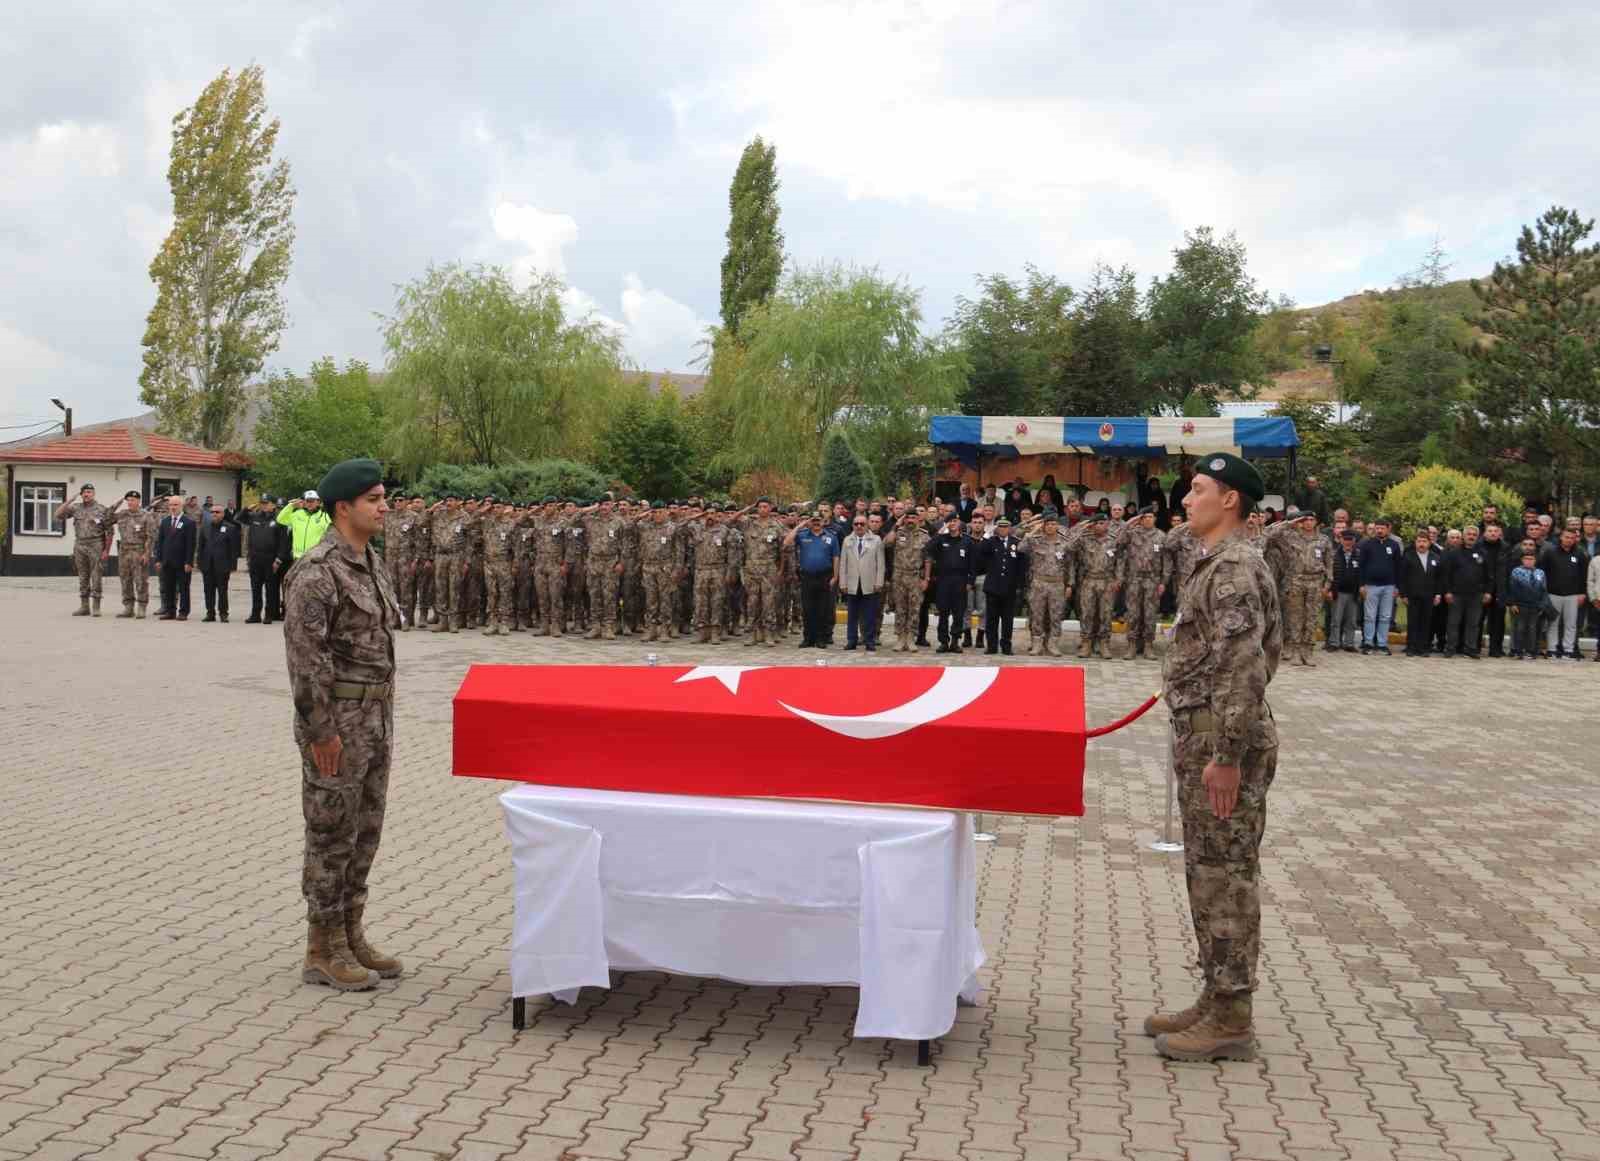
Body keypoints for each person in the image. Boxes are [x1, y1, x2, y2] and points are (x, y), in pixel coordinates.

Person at [1146, 452, 1279, 1063]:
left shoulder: (1233, 568)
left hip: (1224, 744)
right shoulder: (1213, 562)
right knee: (1208, 871)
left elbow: (1244, 665)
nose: (1185, 499)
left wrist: (1226, 753)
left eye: (1197, 489)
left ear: (1230, 500)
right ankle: (1217, 993)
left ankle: (1231, 1017)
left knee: (1225, 878)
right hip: (1204, 734)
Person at [284, 458, 402, 992]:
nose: (384, 507)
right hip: (336, 725)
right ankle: (321, 946)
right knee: (330, 832)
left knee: (365, 830)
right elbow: (307, 663)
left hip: (374, 717)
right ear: (343, 507)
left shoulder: (368, 561)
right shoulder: (317, 572)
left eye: (383, 497)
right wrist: (321, 733)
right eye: (374, 499)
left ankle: (351, 933)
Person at [54, 483, 115, 616]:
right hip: (80, 544)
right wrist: (69, 500)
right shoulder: (75, 508)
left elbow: (110, 531)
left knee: (96, 575)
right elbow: (58, 515)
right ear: (81, 494)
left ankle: (96, 607)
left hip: (96, 544)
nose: (87, 494)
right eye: (84, 492)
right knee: (83, 576)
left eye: (89, 492)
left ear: (93, 494)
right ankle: (84, 606)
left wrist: (106, 551)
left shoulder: (102, 510)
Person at [786, 510, 841, 648]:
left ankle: (821, 638)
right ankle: (808, 638)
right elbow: (787, 542)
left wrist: (835, 576)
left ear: (823, 522)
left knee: (823, 609)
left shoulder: (831, 536)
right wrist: (800, 525)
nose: (816, 523)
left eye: (818, 521)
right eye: (814, 521)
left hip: (825, 576)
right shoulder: (802, 535)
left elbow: (836, 557)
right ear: (810, 522)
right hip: (807, 577)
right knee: (808, 609)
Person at [1020, 514, 1070, 656]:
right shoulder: (1036, 541)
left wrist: (1070, 584)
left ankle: (1053, 644)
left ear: (1058, 526)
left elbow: (1070, 565)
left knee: (1056, 616)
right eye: (1048, 524)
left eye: (1054, 524)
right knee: (1037, 615)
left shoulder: (1064, 543)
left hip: (1057, 584)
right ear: (1043, 526)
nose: (1051, 527)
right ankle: (1037, 644)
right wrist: (1034, 531)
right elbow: (1021, 547)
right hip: (1039, 583)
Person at [925, 514, 976, 653]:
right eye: (949, 522)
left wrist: (970, 581)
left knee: (959, 613)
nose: (952, 524)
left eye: (955, 521)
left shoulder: (967, 541)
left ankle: (955, 641)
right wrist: (941, 530)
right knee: (943, 613)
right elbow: (928, 548)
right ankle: (943, 642)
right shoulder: (941, 539)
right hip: (943, 581)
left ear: (960, 523)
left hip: (960, 581)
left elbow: (973, 564)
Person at [883, 510, 931, 653]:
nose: (910, 520)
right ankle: (900, 638)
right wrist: (895, 526)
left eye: (913, 517)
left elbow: (928, 559)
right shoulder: (898, 533)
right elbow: (886, 543)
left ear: (918, 519)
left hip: (916, 576)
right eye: (908, 517)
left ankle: (911, 637)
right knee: (900, 608)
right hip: (899, 576)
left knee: (914, 609)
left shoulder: (924, 536)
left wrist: (926, 579)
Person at [1439, 525, 1490, 658]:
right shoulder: (1454, 553)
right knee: (1453, 623)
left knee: (1473, 624)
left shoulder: (1483, 553)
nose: (1471, 536)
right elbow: (1447, 574)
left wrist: (1487, 592)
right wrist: (1448, 591)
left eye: (1474, 534)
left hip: (1476, 594)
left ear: (1477, 537)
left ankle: (1470, 649)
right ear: (1464, 536)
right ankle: (1450, 648)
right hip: (1456, 594)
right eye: (1469, 534)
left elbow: (1489, 575)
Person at [977, 516, 1026, 655]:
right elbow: (980, 550)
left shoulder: (1016, 543)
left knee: (1007, 619)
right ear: (997, 528)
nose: (1003, 529)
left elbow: (1021, 566)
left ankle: (1006, 646)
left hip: (1009, 588)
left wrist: (1019, 586)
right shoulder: (990, 542)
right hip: (993, 586)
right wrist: (987, 534)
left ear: (1010, 528)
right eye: (1000, 526)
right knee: (991, 619)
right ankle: (991, 646)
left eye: (1005, 527)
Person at [1539, 528, 1589, 660]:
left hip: (1573, 595)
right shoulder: (1550, 553)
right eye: (1567, 537)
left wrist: (1582, 593)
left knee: (1571, 624)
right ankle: (1552, 649)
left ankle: (1568, 650)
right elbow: (1542, 573)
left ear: (1575, 539)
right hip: (1553, 594)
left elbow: (1584, 575)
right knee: (1553, 623)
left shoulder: (1580, 554)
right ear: (1561, 537)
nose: (1569, 540)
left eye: (1572, 538)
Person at [839, 514, 886, 651]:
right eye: (856, 524)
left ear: (867, 525)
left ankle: (869, 641)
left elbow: (880, 564)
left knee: (870, 614)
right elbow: (843, 564)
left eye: (862, 524)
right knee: (852, 614)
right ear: (852, 525)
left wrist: (879, 582)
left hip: (869, 583)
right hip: (852, 583)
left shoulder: (876, 540)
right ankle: (851, 640)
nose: (859, 526)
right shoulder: (847, 540)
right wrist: (843, 583)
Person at [109, 490, 157, 619]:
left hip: (139, 551)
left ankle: (141, 607)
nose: (130, 502)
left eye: (133, 500)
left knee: (140, 580)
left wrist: (147, 554)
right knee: (125, 579)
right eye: (128, 500)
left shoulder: (146, 516)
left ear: (138, 501)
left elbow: (151, 537)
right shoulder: (122, 514)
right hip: (124, 551)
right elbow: (106, 518)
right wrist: (117, 503)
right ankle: (128, 607)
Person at [1357, 516, 1400, 654]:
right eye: (1377, 528)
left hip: (1389, 586)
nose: (1379, 530)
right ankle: (1368, 642)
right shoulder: (1367, 544)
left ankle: (1382, 643)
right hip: (1371, 586)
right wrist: (1362, 585)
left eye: (1382, 528)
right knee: (1369, 615)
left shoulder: (1394, 545)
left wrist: (1397, 586)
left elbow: (1398, 567)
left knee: (1385, 616)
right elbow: (1361, 566)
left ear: (1388, 529)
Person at [244, 497, 289, 625]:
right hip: (255, 558)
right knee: (255, 588)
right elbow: (239, 519)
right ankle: (255, 614)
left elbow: (283, 542)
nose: (263, 506)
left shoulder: (280, 520)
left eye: (266, 503)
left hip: (271, 559)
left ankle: (269, 614)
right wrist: (246, 509)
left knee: (270, 589)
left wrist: (279, 559)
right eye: (262, 503)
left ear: (273, 505)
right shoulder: (255, 517)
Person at [155, 495, 198, 621]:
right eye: (171, 505)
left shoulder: (189, 523)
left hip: (182, 562)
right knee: (169, 587)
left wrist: (189, 562)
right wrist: (158, 559)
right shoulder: (165, 521)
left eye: (175, 505)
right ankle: (170, 611)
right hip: (167, 561)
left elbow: (191, 544)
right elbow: (160, 542)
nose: (173, 507)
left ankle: (183, 612)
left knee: (183, 588)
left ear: (181, 506)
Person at [197, 503, 242, 622]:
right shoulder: (205, 527)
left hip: (223, 565)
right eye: (212, 512)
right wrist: (199, 563)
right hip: (207, 564)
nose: (214, 514)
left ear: (223, 514)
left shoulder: (230, 528)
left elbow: (234, 549)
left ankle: (223, 613)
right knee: (208, 590)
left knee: (222, 591)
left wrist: (233, 565)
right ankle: (210, 613)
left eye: (217, 512)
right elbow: (201, 547)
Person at [1399, 531, 1440, 657]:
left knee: (1426, 622)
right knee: (1413, 621)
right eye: (1419, 541)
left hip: (1429, 595)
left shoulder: (1435, 557)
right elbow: (1402, 577)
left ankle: (1423, 648)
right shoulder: (1408, 556)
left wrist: (1438, 594)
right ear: (1415, 543)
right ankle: (1411, 647)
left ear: (1429, 543)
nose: (1421, 544)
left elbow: (1439, 578)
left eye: (1424, 541)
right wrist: (1403, 594)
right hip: (1412, 595)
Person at [1506, 549, 1548, 660]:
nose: (1529, 561)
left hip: (1535, 605)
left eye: (1531, 559)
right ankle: (1518, 650)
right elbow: (1512, 588)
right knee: (1520, 628)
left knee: (1532, 628)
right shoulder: (1516, 571)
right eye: (1526, 559)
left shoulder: (1540, 573)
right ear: (1522, 560)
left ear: (1535, 560)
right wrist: (1512, 603)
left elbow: (1544, 590)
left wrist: (1542, 605)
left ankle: (1531, 651)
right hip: (1520, 604)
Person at [1329, 528, 1362, 651]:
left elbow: (1361, 573)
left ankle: (1349, 643)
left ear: (1354, 541)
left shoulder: (1359, 554)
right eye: (1345, 539)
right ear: (1341, 540)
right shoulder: (1334, 554)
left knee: (1352, 621)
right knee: (1336, 620)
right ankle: (1334, 643)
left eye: (1350, 540)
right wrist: (1329, 590)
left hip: (1353, 592)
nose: (1348, 542)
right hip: (1338, 591)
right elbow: (1329, 573)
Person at [278, 491, 332, 560]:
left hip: (315, 558)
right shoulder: (297, 514)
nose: (309, 503)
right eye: (307, 501)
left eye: (312, 501)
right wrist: (291, 506)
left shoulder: (325, 517)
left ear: (318, 502)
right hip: (297, 558)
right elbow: (280, 519)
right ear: (304, 502)